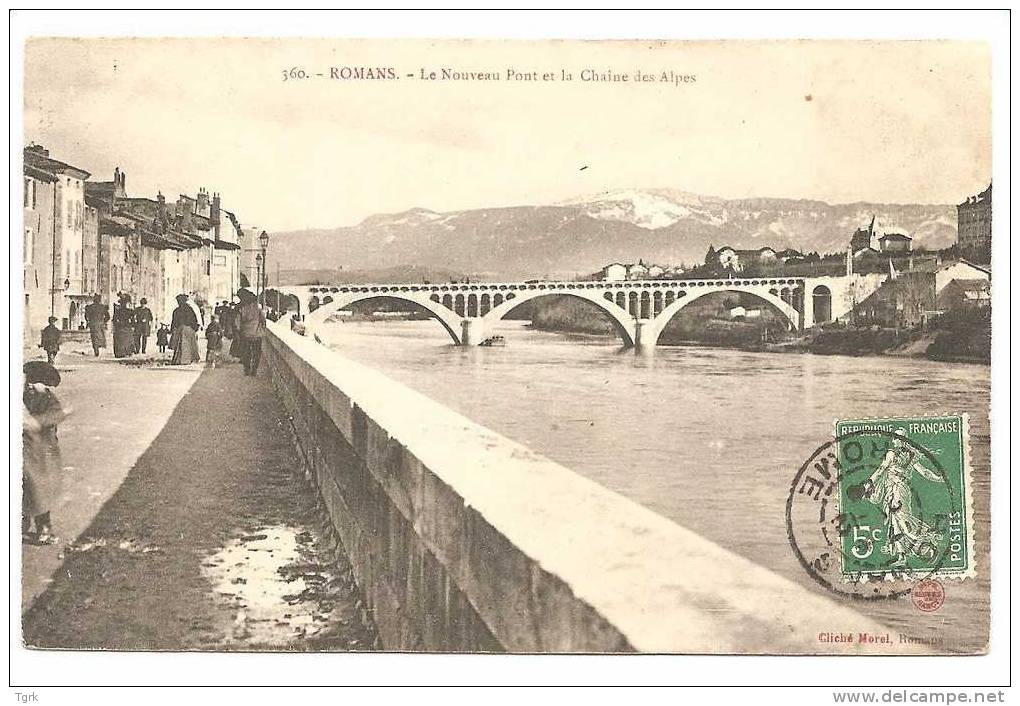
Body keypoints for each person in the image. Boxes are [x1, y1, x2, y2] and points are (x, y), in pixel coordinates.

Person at [23, 361, 69, 545]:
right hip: (24, 449)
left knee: (39, 490)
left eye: (36, 382)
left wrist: (36, 422)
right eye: (29, 382)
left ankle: (44, 526)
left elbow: (56, 415)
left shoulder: (49, 399)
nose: (31, 385)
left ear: (47, 384)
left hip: (42, 451)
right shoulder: (22, 396)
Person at [235, 288, 266, 376]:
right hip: (257, 335)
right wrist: (262, 330)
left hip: (245, 335)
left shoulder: (242, 309)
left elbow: (237, 323)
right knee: (257, 353)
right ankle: (254, 370)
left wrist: (239, 332)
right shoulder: (258, 308)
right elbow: (263, 321)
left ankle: (247, 369)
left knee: (246, 353)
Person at [170, 294, 201, 365]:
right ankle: (189, 359)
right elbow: (194, 320)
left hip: (180, 330)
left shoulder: (176, 310)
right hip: (189, 330)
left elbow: (174, 322)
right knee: (189, 345)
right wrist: (195, 328)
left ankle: (180, 360)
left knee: (180, 346)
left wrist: (173, 329)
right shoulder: (190, 309)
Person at [111, 293, 136, 358]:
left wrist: (115, 326)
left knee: (120, 340)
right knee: (127, 340)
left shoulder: (118, 311)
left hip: (120, 328)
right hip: (126, 327)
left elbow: (114, 320)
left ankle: (120, 352)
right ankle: (127, 352)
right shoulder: (130, 311)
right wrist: (133, 326)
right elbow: (133, 320)